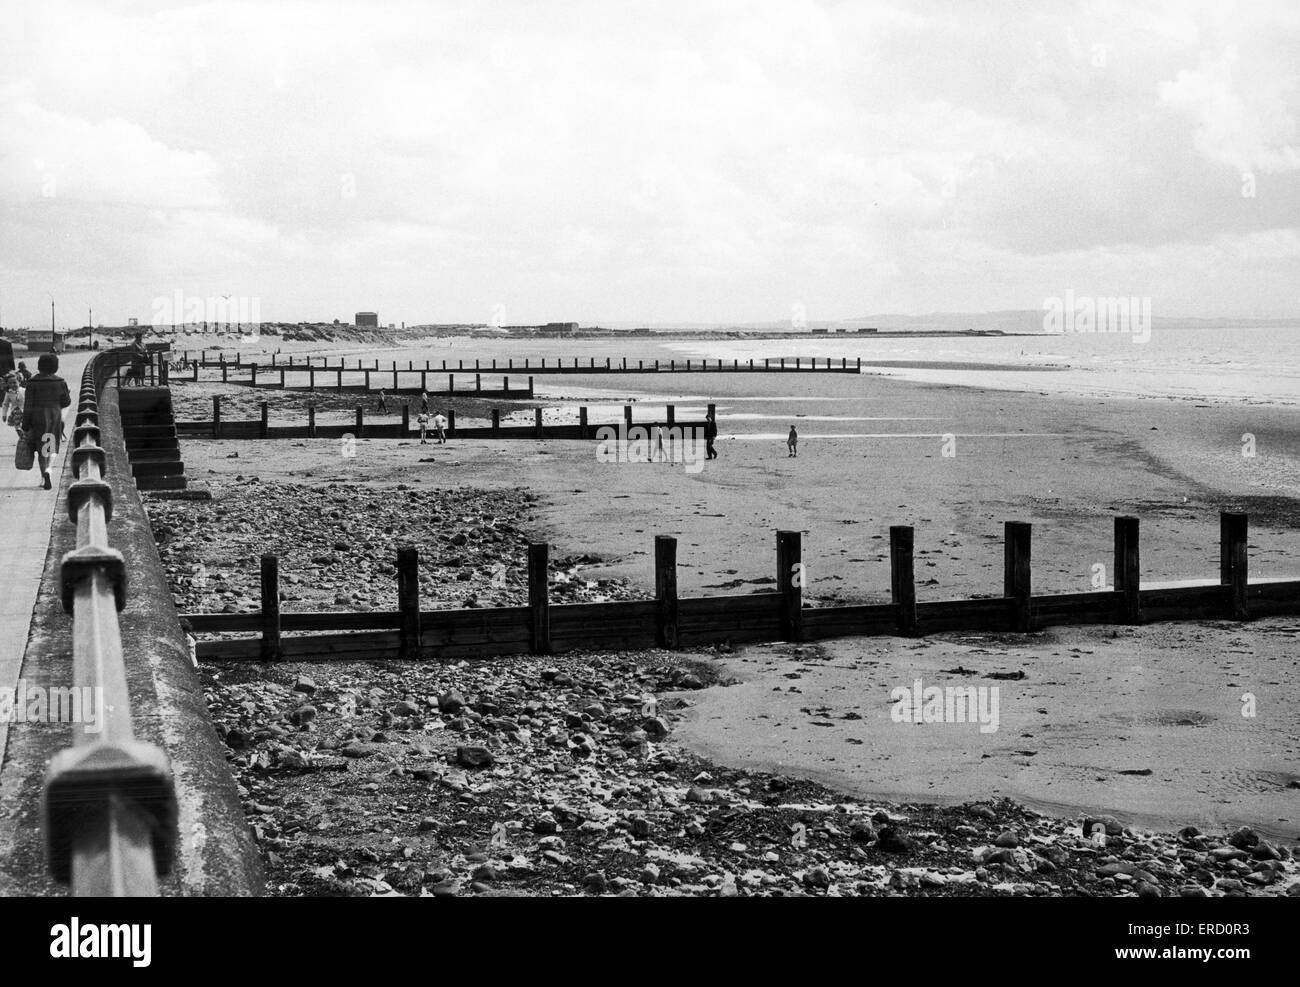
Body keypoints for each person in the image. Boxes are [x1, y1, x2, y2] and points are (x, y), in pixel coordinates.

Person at [22, 353, 71, 490]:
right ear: (55, 366)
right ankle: (49, 470)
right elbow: (66, 402)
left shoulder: (32, 382)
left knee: (41, 448)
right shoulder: (60, 382)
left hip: (37, 418)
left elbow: (28, 405)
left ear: (39, 365)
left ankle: (44, 476)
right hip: (54, 417)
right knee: (50, 447)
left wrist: (25, 425)